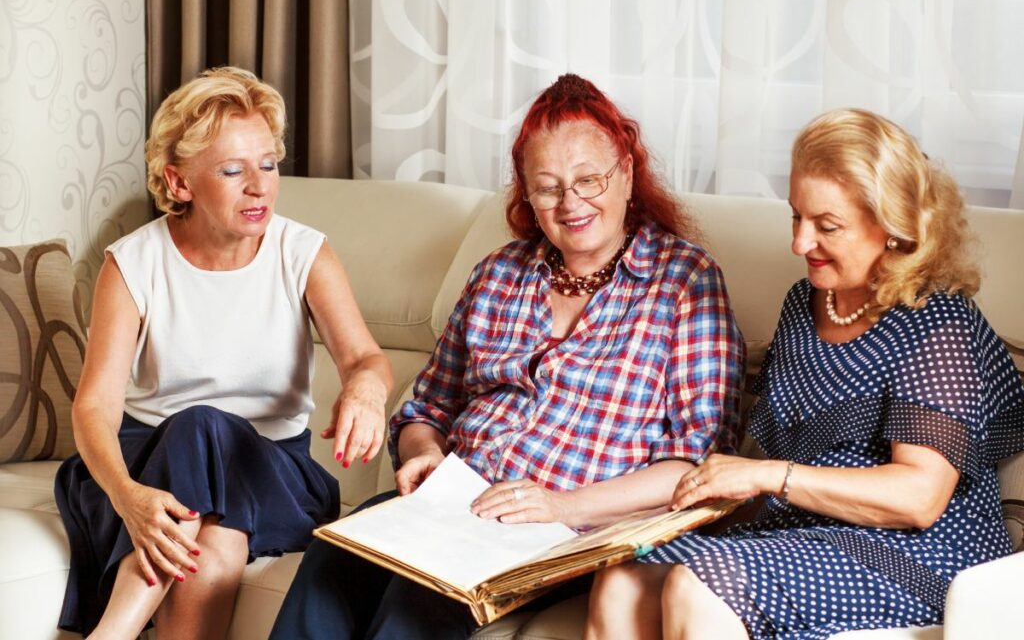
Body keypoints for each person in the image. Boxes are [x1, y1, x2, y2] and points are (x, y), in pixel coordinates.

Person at [269, 73, 746, 640]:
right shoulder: (499, 273)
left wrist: (561, 506)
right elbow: (425, 408)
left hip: (570, 529)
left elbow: (698, 466)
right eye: (548, 187)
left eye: (589, 179)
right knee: (330, 562)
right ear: (526, 193)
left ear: (627, 172)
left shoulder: (684, 281)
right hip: (453, 505)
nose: (571, 203)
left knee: (411, 606)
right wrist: (423, 457)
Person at [584, 108, 1024, 640]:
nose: (800, 243)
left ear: (892, 225)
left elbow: (919, 499)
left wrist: (767, 477)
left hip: (916, 554)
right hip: (807, 529)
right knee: (621, 579)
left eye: (827, 225)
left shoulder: (937, 318)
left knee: (699, 585)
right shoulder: (803, 302)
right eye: (796, 217)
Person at [54, 67, 392, 640]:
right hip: (140, 474)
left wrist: (365, 388)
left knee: (202, 427)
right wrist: (129, 497)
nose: (259, 186)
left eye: (268, 164)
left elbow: (365, 358)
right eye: (233, 171)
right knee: (216, 542)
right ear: (179, 183)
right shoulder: (132, 264)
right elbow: (94, 409)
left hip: (272, 472)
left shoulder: (302, 253)